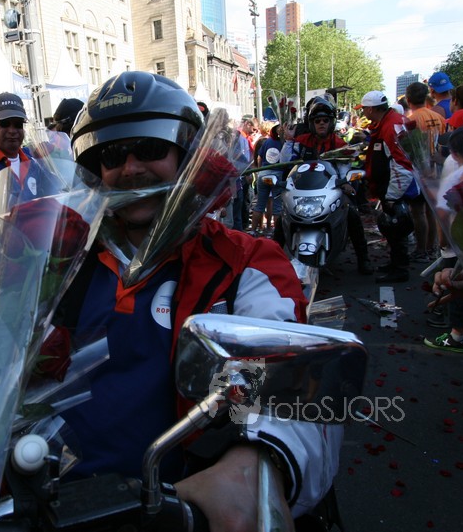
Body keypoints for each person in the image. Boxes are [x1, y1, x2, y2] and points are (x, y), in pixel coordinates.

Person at [66, 71, 342, 529]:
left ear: (189, 156)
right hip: (54, 501)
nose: (131, 168)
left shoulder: (245, 264)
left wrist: (254, 464)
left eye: (150, 149)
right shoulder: (61, 264)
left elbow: (279, 379)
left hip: (179, 509)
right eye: (113, 155)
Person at [280, 96, 373, 274]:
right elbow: (285, 162)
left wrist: (345, 182)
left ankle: (364, 259)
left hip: (331, 190)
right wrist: (289, 141)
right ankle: (269, 260)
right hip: (303, 193)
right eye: (317, 121)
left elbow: (344, 168)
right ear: (311, 123)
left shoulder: (340, 145)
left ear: (331, 122)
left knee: (352, 215)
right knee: (282, 218)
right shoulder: (301, 142)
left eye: (325, 120)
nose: (321, 123)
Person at [422, 128, 463, 354]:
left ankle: (457, 336)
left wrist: (443, 242)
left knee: (459, 287)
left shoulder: (456, 177)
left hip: (460, 244)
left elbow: (443, 216)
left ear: (454, 153)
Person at [360, 90, 417, 283]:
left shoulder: (390, 126)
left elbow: (402, 164)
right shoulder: (390, 122)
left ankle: (400, 269)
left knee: (395, 226)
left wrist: (392, 195)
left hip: (393, 187)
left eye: (364, 109)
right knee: (393, 229)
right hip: (389, 184)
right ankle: (395, 263)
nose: (363, 113)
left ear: (370, 109)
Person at [405, 81, 445, 262]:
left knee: (418, 212)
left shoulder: (411, 120)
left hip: (420, 171)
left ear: (408, 100)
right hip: (437, 168)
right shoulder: (438, 117)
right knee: (431, 211)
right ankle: (432, 247)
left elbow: (409, 148)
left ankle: (421, 249)